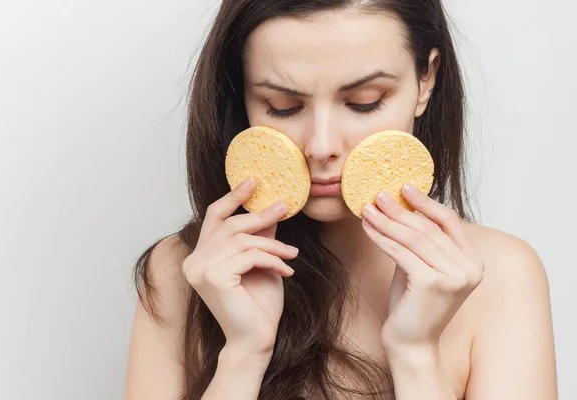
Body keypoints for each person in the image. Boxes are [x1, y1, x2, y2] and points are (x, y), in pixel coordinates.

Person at [124, 1, 558, 399]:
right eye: (282, 106)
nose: (322, 145)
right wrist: (243, 355)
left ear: (426, 80)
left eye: (365, 103)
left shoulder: (501, 276)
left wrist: (415, 355)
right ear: (243, 96)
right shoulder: (182, 272)